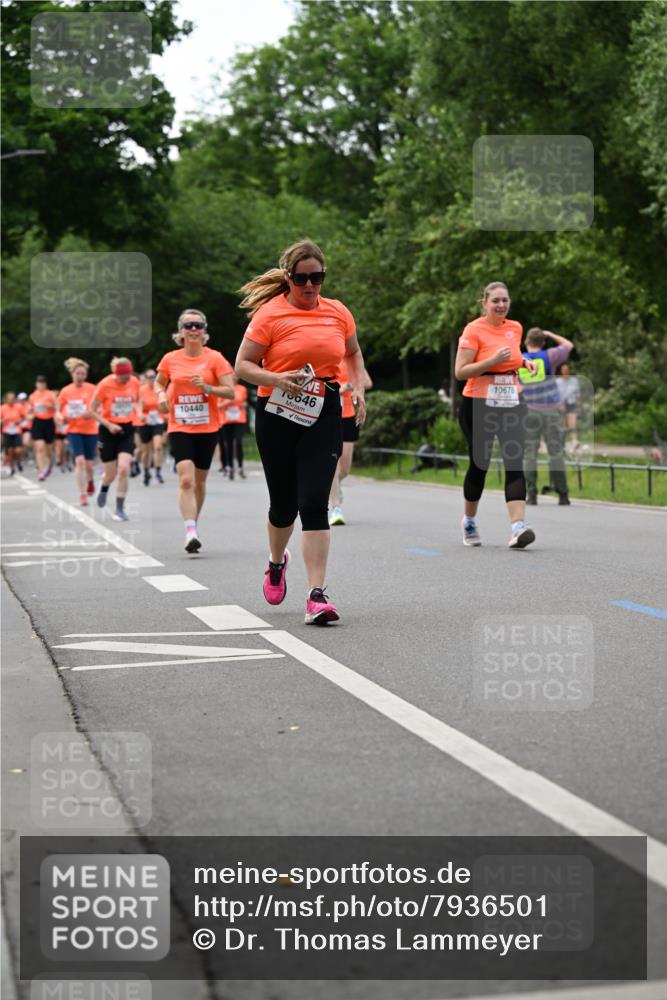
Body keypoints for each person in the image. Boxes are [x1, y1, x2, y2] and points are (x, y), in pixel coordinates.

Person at [235, 238, 367, 625]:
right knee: (283, 505)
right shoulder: (269, 315)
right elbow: (243, 365)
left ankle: (316, 595)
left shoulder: (338, 312)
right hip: (277, 411)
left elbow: (353, 353)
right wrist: (277, 377)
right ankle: (276, 563)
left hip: (323, 408)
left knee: (314, 502)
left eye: (318, 278)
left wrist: (356, 387)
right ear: (289, 278)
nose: (310, 286)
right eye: (302, 278)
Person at [454, 281, 538, 549]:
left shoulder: (515, 328)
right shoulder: (473, 330)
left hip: (511, 400)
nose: (501, 305)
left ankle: (518, 527)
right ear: (484, 303)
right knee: (481, 463)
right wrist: (491, 362)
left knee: (515, 460)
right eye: (495, 301)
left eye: (505, 300)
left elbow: (512, 356)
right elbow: (461, 371)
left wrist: (525, 362)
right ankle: (469, 520)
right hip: (478, 403)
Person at [155, 309, 235, 552]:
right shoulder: (171, 359)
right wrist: (160, 394)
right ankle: (190, 531)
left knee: (199, 482)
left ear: (204, 331)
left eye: (197, 325)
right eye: (188, 325)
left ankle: (193, 522)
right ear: (180, 331)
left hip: (207, 426)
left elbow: (230, 391)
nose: (193, 330)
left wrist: (209, 388)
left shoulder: (215, 358)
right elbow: (159, 382)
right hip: (179, 426)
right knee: (186, 479)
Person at [519, 327, 573, 505]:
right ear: (542, 343)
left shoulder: (519, 360)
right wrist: (550, 334)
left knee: (529, 454)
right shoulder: (550, 356)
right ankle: (563, 494)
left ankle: (531, 493)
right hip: (551, 410)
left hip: (528, 411)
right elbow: (568, 345)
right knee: (555, 453)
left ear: (526, 342)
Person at [90, 357, 141, 521]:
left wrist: (138, 412)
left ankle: (119, 508)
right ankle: (104, 487)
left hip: (127, 429)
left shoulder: (134, 382)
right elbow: (91, 410)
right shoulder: (104, 385)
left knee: (124, 468)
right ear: (115, 373)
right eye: (123, 376)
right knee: (110, 474)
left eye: (128, 375)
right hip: (108, 430)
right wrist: (109, 424)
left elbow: (138, 399)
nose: (126, 379)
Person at [328, 360, 372, 525]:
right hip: (330, 415)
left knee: (345, 469)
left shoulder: (352, 359)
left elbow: (367, 382)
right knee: (334, 464)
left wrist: (351, 385)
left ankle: (336, 488)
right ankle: (335, 508)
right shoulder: (327, 355)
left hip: (348, 415)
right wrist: (340, 389)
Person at [57, 358, 98, 505]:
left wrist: (92, 412)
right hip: (73, 429)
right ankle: (82, 494)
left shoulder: (92, 389)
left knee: (88, 464)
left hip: (90, 429)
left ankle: (91, 481)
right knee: (79, 462)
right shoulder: (65, 391)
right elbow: (58, 411)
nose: (80, 376)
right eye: (77, 373)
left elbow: (99, 406)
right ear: (72, 374)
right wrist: (62, 417)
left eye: (83, 373)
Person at [138, 369, 166, 486]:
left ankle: (158, 471)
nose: (152, 379)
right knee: (145, 452)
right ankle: (146, 471)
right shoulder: (141, 390)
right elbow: (138, 404)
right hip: (145, 423)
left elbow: (165, 402)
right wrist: (140, 414)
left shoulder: (159, 389)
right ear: (146, 378)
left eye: (154, 377)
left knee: (158, 447)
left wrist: (166, 412)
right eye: (149, 377)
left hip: (158, 422)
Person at [219, 374, 249, 480]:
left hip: (239, 419)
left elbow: (244, 401)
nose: (234, 379)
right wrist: (227, 402)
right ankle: (230, 467)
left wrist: (243, 404)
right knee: (229, 444)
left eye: (235, 377)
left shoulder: (242, 389)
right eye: (231, 378)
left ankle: (240, 467)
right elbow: (217, 406)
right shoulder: (222, 390)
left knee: (238, 441)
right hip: (226, 420)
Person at [28, 375, 57, 481]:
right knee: (40, 447)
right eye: (39, 383)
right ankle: (42, 471)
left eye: (43, 383)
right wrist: (30, 415)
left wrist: (50, 406)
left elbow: (57, 407)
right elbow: (29, 410)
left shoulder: (51, 394)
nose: (41, 385)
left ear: (45, 384)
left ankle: (50, 461)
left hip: (49, 422)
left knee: (48, 448)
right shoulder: (33, 396)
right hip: (37, 421)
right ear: (36, 384)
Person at [557, 362, 581, 452]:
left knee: (572, 423)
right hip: (561, 405)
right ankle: (561, 443)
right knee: (563, 425)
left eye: (567, 369)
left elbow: (578, 394)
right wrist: (560, 404)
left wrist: (579, 406)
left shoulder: (574, 381)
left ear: (569, 370)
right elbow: (556, 395)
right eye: (563, 370)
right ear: (561, 371)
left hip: (572, 404)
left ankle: (574, 441)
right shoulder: (558, 382)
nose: (565, 371)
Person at [1, 392, 24, 475]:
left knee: (18, 450)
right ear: (6, 400)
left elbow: (24, 416)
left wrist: (19, 421)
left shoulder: (19, 407)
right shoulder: (2, 408)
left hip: (17, 431)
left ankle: (18, 461)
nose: (11, 400)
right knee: (10, 451)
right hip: (7, 432)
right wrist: (4, 421)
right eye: (9, 399)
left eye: (13, 398)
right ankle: (12, 467)